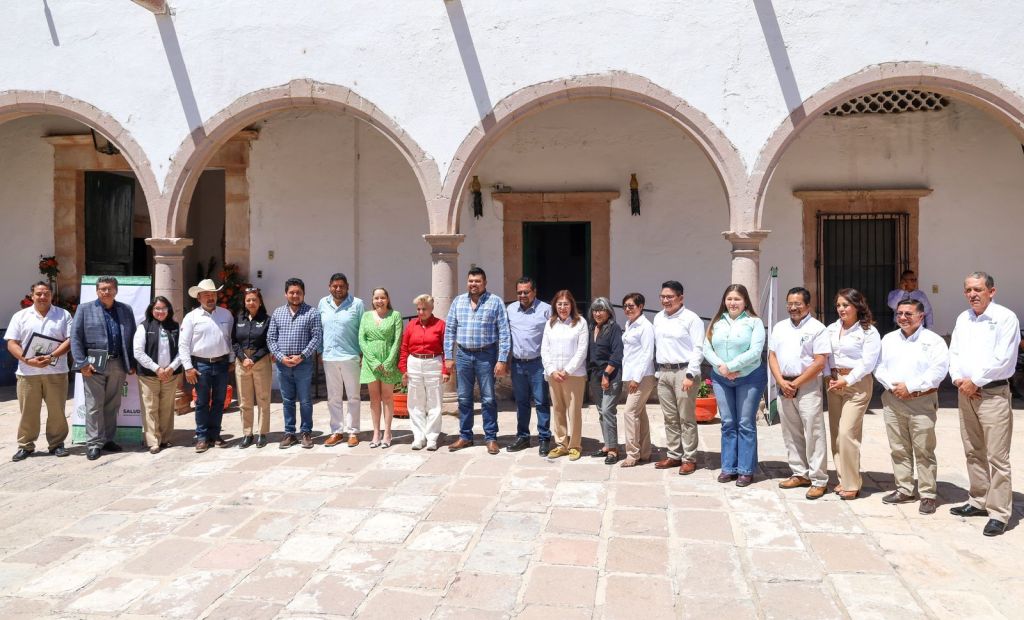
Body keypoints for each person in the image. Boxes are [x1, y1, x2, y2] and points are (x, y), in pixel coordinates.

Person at [948, 271, 1019, 537]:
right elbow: (953, 352)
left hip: (992, 394)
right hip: (965, 392)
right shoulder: (963, 318)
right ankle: (978, 500)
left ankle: (1000, 513)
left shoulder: (1005, 318)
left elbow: (1003, 358)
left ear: (992, 291)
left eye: (978, 289)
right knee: (973, 449)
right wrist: (957, 379)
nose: (972, 294)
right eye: (968, 290)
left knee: (997, 456)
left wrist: (975, 381)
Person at [874, 298, 948, 515]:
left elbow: (938, 371)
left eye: (908, 314)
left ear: (921, 316)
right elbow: (878, 366)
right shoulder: (888, 339)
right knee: (898, 448)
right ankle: (904, 488)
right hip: (893, 399)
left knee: (924, 449)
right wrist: (893, 386)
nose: (903, 318)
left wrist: (911, 387)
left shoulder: (933, 341)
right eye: (899, 314)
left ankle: (928, 495)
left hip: (921, 400)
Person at [768, 287, 831, 500]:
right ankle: (799, 472)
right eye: (790, 303)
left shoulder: (818, 328)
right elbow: (772, 356)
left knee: (814, 431)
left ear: (808, 306)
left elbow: (820, 361)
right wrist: (781, 381)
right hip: (784, 384)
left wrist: (795, 383)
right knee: (790, 431)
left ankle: (819, 479)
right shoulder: (779, 327)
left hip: (807, 386)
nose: (793, 307)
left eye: (798, 304)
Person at [702, 284, 767, 487]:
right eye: (729, 299)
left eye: (737, 299)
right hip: (721, 379)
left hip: (749, 377)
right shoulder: (717, 323)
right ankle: (728, 467)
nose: (733, 303)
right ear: (724, 301)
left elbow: (756, 351)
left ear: (745, 301)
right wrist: (722, 368)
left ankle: (746, 470)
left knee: (745, 423)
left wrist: (731, 366)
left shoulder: (754, 322)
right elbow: (707, 348)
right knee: (728, 422)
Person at [444, 267, 511, 455]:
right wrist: (448, 356)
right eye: (471, 281)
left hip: (486, 355)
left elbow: (504, 333)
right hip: (463, 355)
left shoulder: (495, 302)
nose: (473, 284)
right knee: (464, 398)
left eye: (477, 281)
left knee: (488, 398)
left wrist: (502, 359)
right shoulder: (458, 302)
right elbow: (449, 331)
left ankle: (491, 438)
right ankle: (465, 436)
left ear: (485, 282)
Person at [71, 276, 137, 461]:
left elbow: (131, 337)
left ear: (116, 290)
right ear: (97, 291)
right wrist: (82, 363)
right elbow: (75, 337)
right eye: (102, 289)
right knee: (93, 405)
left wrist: (131, 362)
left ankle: (107, 439)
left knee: (112, 404)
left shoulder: (125, 310)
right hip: (93, 365)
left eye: (109, 288)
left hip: (118, 364)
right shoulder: (85, 309)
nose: (106, 292)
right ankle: (93, 443)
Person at [825, 288, 881, 500]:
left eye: (845, 305)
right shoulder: (831, 329)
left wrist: (846, 379)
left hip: (856, 384)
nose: (841, 309)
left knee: (848, 432)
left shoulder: (869, 332)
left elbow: (868, 363)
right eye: (838, 305)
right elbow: (826, 354)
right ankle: (844, 478)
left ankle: (852, 483)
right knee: (836, 434)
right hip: (833, 382)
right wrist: (830, 375)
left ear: (857, 306)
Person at [7, 281, 73, 461]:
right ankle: (25, 445)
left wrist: (51, 357)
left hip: (56, 371)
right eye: (38, 294)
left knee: (57, 411)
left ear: (51, 295)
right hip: (27, 373)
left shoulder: (63, 315)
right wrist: (27, 360)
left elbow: (70, 340)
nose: (42, 297)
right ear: (32, 296)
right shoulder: (20, 316)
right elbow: (12, 342)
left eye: (46, 293)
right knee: (28, 411)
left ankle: (57, 444)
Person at [652, 280, 705, 475]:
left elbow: (699, 348)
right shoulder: (658, 318)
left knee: (686, 418)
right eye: (662, 297)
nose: (666, 300)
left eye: (670, 297)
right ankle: (674, 454)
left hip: (684, 372)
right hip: (664, 372)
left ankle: (689, 457)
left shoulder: (692, 319)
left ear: (681, 298)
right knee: (670, 417)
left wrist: (691, 374)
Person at [179, 279, 234, 453]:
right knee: (202, 402)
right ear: (199, 297)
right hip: (200, 365)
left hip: (222, 364)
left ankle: (215, 434)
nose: (210, 298)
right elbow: (183, 344)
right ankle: (202, 437)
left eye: (213, 294)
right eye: (206, 295)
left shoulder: (226, 315)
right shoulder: (191, 317)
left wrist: (231, 359)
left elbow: (231, 340)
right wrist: (188, 367)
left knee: (219, 401)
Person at [267, 278, 323, 449]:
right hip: (283, 364)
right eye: (291, 292)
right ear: (286, 294)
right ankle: (289, 433)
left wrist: (302, 356)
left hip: (303, 364)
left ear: (303, 293)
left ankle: (306, 432)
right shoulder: (277, 313)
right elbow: (271, 338)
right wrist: (280, 357)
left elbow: (316, 337)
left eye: (298, 292)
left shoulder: (312, 313)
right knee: (287, 400)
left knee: (306, 400)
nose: (295, 295)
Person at [506, 276, 553, 456]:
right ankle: (523, 437)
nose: (522, 295)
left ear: (534, 292)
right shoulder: (510, 309)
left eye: (526, 292)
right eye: (519, 292)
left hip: (538, 364)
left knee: (541, 402)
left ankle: (543, 438)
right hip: (518, 364)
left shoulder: (546, 310)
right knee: (521, 402)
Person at [541, 290, 589, 461]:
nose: (562, 307)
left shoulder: (580, 323)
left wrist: (567, 370)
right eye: (559, 304)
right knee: (558, 410)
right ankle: (561, 444)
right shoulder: (550, 323)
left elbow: (582, 350)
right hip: (554, 375)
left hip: (573, 375)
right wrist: (552, 370)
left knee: (574, 411)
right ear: (555, 305)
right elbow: (544, 349)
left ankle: (575, 445)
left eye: (566, 304)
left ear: (572, 306)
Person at [319, 273, 365, 448]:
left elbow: (363, 329)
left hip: (351, 356)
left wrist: (362, 354)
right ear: (329, 286)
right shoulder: (323, 303)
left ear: (347, 286)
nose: (338, 289)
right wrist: (320, 351)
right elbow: (319, 328)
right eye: (334, 286)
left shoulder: (357, 304)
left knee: (353, 396)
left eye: (341, 286)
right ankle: (337, 431)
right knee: (333, 397)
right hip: (329, 357)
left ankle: (353, 431)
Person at [399, 294, 449, 451]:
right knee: (415, 402)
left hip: (433, 363)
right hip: (414, 363)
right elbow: (404, 348)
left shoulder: (441, 325)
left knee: (434, 402)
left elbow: (446, 348)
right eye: (419, 309)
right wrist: (403, 369)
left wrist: (445, 370)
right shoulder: (411, 325)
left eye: (424, 309)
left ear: (432, 308)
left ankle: (432, 437)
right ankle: (418, 436)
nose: (421, 312)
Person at [133, 296, 182, 454]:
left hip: (171, 374)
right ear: (151, 310)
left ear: (169, 310)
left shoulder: (175, 327)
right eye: (157, 309)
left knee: (167, 407)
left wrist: (171, 367)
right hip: (149, 376)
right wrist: (156, 368)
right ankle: (153, 441)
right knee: (150, 408)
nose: (160, 312)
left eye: (163, 308)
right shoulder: (144, 327)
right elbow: (138, 352)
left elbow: (183, 349)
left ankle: (165, 438)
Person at [359, 287, 403, 448]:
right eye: (376, 298)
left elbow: (397, 340)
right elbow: (362, 340)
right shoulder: (365, 316)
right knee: (374, 399)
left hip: (388, 362)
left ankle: (388, 432)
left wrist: (389, 361)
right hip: (371, 364)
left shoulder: (395, 316)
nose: (379, 301)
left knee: (387, 397)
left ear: (388, 299)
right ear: (372, 300)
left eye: (382, 297)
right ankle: (376, 432)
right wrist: (373, 361)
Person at [619, 292, 656, 467]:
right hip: (631, 375)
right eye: (625, 306)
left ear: (641, 307)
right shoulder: (629, 324)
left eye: (631, 306)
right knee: (640, 414)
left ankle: (632, 454)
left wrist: (636, 378)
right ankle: (645, 452)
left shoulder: (645, 326)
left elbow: (647, 354)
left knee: (629, 412)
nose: (627, 309)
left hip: (641, 377)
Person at [232, 287, 272, 449]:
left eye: (254, 300)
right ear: (244, 302)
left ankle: (262, 433)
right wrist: (243, 358)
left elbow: (269, 342)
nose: (251, 302)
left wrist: (253, 358)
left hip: (260, 360)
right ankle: (247, 433)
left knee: (263, 399)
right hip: (242, 362)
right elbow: (234, 341)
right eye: (248, 300)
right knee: (244, 400)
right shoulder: (239, 319)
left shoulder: (267, 319)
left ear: (260, 301)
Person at [587, 297, 623, 465]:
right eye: (595, 310)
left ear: (609, 311)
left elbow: (617, 354)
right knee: (601, 411)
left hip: (610, 374)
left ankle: (614, 449)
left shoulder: (614, 328)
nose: (597, 313)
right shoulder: (592, 328)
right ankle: (607, 445)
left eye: (601, 310)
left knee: (608, 410)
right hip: (594, 374)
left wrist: (607, 374)